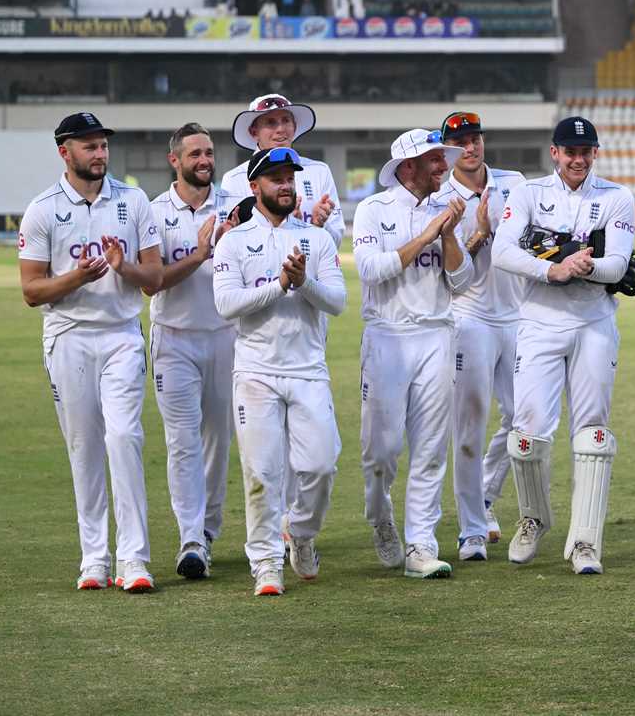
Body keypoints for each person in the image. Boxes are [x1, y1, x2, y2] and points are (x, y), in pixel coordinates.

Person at [18, 112, 163, 592]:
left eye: (102, 145)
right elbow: (32, 290)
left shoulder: (134, 200)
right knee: (84, 449)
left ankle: (135, 560)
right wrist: (76, 279)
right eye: (89, 147)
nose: (99, 154)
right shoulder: (42, 209)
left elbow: (155, 280)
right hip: (68, 337)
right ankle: (94, 559)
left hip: (121, 334)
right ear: (65, 152)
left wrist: (124, 269)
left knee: (124, 437)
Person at [491, 116, 635, 575]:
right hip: (538, 322)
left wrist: (578, 263)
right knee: (525, 436)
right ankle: (535, 517)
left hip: (594, 322)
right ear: (554, 153)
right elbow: (502, 251)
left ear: (595, 153)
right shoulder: (528, 194)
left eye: (586, 151)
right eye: (569, 151)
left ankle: (585, 542)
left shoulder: (616, 196)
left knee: (593, 434)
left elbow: (617, 267)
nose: (578, 159)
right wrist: (552, 269)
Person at [212, 146, 346, 597]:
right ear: (255, 187)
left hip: (308, 368)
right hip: (256, 371)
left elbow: (338, 303)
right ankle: (266, 562)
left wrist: (304, 282)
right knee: (262, 473)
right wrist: (280, 286)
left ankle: (301, 534)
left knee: (322, 466)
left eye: (290, 178)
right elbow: (227, 306)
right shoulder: (233, 242)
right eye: (276, 178)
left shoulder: (317, 239)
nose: (286, 185)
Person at [354, 129, 471, 578]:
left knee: (430, 448)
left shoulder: (448, 210)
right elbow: (372, 270)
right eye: (435, 160)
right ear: (408, 167)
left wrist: (450, 237)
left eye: (444, 158)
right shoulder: (372, 210)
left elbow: (462, 282)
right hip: (387, 335)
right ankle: (380, 516)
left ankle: (421, 545)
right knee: (380, 451)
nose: (444, 166)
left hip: (437, 333)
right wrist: (427, 235)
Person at [145, 123, 241, 579]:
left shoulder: (235, 208)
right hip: (174, 339)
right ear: (175, 161)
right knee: (181, 442)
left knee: (217, 442)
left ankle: (207, 532)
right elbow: (153, 282)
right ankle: (190, 540)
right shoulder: (152, 212)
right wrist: (202, 253)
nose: (205, 161)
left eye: (209, 152)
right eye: (195, 154)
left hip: (226, 336)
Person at [434, 112, 527, 558]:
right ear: (448, 149)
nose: (469, 148)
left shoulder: (515, 182)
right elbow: (453, 277)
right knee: (469, 426)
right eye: (460, 142)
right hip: (468, 317)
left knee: (524, 419)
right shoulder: (439, 196)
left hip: (519, 315)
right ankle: (471, 529)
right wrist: (480, 234)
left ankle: (486, 496)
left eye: (474, 139)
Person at [221, 94, 343, 249]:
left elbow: (336, 242)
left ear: (295, 127)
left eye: (286, 120)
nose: (280, 129)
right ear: (254, 132)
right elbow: (229, 244)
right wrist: (287, 226)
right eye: (270, 122)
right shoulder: (233, 179)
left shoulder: (320, 171)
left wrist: (318, 225)